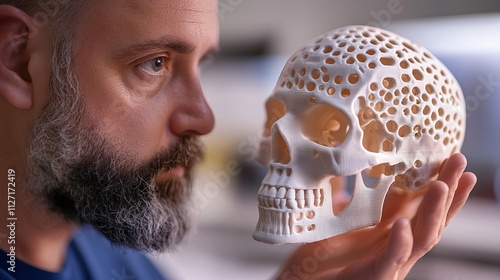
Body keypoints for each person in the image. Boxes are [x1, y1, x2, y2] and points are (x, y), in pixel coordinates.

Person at [0, 0, 477, 279]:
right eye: (155, 63)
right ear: (21, 59)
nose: (202, 117)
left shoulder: (108, 249)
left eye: (201, 64)